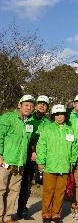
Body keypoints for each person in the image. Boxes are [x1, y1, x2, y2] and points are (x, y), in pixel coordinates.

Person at [36, 104, 78, 223]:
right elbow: (41, 146)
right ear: (53, 116)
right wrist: (41, 161)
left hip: (64, 166)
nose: (59, 117)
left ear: (65, 116)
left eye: (61, 114)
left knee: (60, 192)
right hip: (50, 166)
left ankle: (56, 214)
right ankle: (46, 214)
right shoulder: (48, 129)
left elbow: (74, 148)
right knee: (48, 191)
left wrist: (72, 162)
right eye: (57, 115)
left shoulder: (69, 130)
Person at [0, 95, 36, 223]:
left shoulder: (29, 122)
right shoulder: (7, 118)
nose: (29, 108)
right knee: (1, 189)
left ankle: (8, 216)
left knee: (13, 190)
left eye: (31, 106)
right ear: (19, 105)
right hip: (5, 161)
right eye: (26, 105)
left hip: (20, 163)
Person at [17, 95, 51, 220]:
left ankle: (49, 211)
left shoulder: (48, 123)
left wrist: (38, 153)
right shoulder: (27, 118)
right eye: (40, 103)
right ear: (36, 105)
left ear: (47, 108)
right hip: (25, 156)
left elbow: (46, 141)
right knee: (25, 183)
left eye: (45, 104)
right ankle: (21, 210)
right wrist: (31, 151)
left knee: (43, 183)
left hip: (41, 157)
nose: (42, 105)